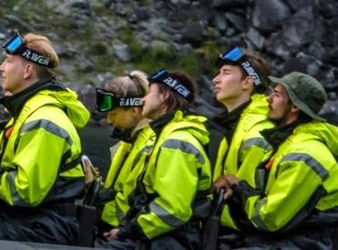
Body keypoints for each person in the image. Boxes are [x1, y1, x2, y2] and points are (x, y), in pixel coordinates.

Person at [0, 30, 89, 244]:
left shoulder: (43, 121)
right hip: (26, 220)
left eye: (7, 61)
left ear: (27, 70)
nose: (1, 68)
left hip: (44, 227)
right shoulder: (28, 113)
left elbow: (24, 193)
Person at [219, 72, 338, 249]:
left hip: (310, 241)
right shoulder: (289, 143)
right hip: (291, 234)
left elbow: (269, 219)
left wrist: (238, 187)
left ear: (294, 107)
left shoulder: (304, 155)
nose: (268, 99)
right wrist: (235, 193)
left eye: (276, 94)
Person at [103, 68, 212, 249]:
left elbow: (172, 210)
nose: (143, 99)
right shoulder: (166, 136)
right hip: (158, 236)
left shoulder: (177, 142)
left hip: (170, 241)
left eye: (150, 93)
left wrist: (125, 232)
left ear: (164, 97)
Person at [209, 46, 272, 231]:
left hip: (245, 233)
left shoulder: (258, 131)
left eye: (225, 73)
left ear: (247, 82)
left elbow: (252, 200)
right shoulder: (233, 126)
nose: (215, 79)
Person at [93, 70, 153, 233]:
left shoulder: (150, 145)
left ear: (134, 110)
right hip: (113, 226)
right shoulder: (127, 142)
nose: (109, 120)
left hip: (126, 230)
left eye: (113, 114)